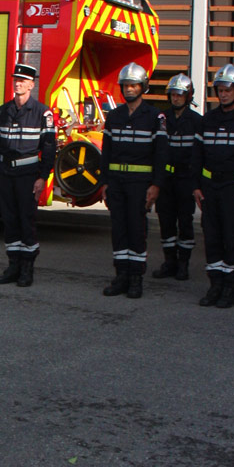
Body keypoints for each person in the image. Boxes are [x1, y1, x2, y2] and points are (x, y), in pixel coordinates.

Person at [0, 64, 55, 287]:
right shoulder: (2, 111)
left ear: (31, 85)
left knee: (26, 220)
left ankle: (27, 268)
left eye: (23, 80)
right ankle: (13, 266)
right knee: (9, 221)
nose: (18, 83)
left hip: (28, 176)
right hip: (6, 174)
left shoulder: (42, 113)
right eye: (16, 79)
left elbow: (49, 148)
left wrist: (42, 177)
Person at [192, 64, 234, 306]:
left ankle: (230, 288)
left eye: (228, 89)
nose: (224, 94)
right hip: (210, 188)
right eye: (220, 90)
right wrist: (196, 186)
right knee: (212, 238)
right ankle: (215, 285)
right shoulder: (208, 120)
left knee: (231, 238)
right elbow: (197, 155)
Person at [98, 64, 161, 296]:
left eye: (133, 85)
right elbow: (106, 152)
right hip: (116, 183)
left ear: (143, 87)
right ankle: (121, 277)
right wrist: (104, 182)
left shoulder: (154, 117)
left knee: (136, 230)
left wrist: (156, 185)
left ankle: (136, 279)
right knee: (119, 231)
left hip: (139, 184)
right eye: (125, 85)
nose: (129, 89)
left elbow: (161, 154)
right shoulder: (114, 116)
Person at [154, 73, 202, 279]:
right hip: (166, 179)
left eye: (180, 95)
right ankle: (169, 262)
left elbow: (200, 155)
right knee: (165, 220)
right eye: (173, 94)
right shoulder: (162, 119)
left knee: (185, 221)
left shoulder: (197, 121)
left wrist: (197, 183)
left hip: (186, 178)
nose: (176, 98)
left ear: (188, 96)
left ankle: (183, 264)